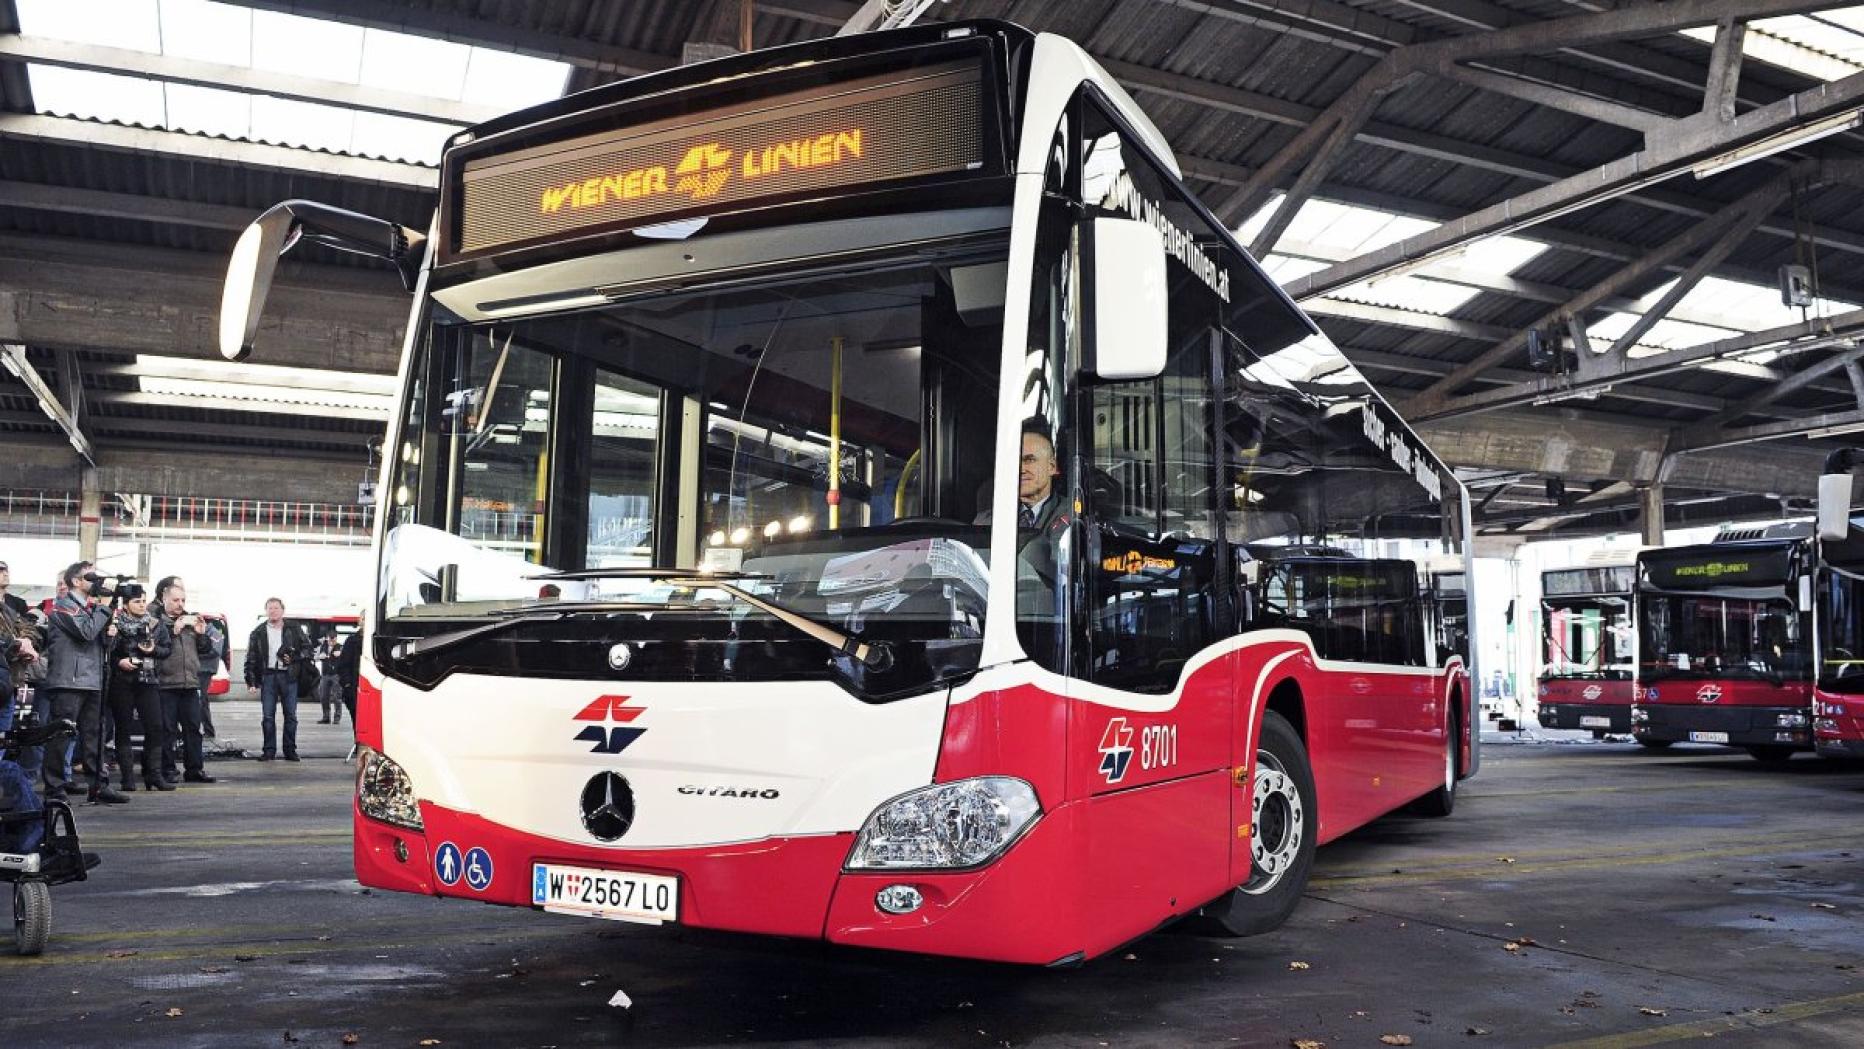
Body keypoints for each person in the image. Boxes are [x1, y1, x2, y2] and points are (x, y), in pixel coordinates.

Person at [42, 562, 120, 803]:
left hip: (93, 680)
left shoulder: (90, 609)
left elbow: (99, 643)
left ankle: (99, 786)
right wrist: (104, 610)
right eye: (91, 576)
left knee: (95, 735)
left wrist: (110, 635)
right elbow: (85, 633)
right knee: (61, 736)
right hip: (68, 681)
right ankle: (55, 788)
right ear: (76, 581)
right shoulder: (62, 607)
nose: (96, 581)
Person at [104, 584, 170, 793]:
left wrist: (153, 650)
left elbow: (166, 649)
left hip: (148, 679)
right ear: (125, 604)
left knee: (155, 726)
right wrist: (119, 662)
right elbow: (105, 651)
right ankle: (127, 777)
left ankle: (154, 774)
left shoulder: (155, 624)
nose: (142, 605)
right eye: (136, 602)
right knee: (123, 727)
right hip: (122, 681)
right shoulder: (114, 624)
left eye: (143, 601)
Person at [153, 577, 217, 784]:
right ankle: (168, 770)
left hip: (190, 684)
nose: (180, 604)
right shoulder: (156, 622)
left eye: (183, 600)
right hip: (166, 684)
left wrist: (201, 635)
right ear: (164, 600)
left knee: (193, 730)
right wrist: (173, 632)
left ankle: (195, 769)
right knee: (167, 731)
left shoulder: (190, 621)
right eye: (176, 600)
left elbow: (206, 650)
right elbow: (156, 649)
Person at [244, 598, 309, 762]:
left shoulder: (294, 628)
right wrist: (251, 681)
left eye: (276, 608)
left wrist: (294, 657)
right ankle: (268, 751)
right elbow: (251, 657)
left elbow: (308, 649)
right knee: (267, 716)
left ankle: (290, 750)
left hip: (289, 675)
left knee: (291, 716)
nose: (273, 611)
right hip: (268, 676)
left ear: (282, 610)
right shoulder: (258, 632)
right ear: (266, 611)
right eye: (270, 608)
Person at [974, 418, 1067, 532]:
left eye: (1029, 460)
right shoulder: (985, 521)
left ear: (1052, 467)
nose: (1020, 469)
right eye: (1014, 461)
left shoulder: (1072, 517)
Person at [337, 615, 363, 730]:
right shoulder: (352, 641)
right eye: (364, 618)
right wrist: (347, 685)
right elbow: (343, 665)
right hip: (354, 688)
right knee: (357, 722)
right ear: (359, 621)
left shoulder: (379, 639)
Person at [314, 633, 344, 725]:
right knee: (323, 697)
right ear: (327, 639)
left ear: (336, 638)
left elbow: (346, 659)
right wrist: (320, 657)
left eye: (333, 639)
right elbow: (314, 657)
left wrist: (340, 655)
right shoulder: (322, 647)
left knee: (336, 697)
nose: (332, 642)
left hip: (336, 675)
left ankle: (337, 718)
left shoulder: (340, 647)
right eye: (330, 640)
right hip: (325, 675)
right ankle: (326, 717)